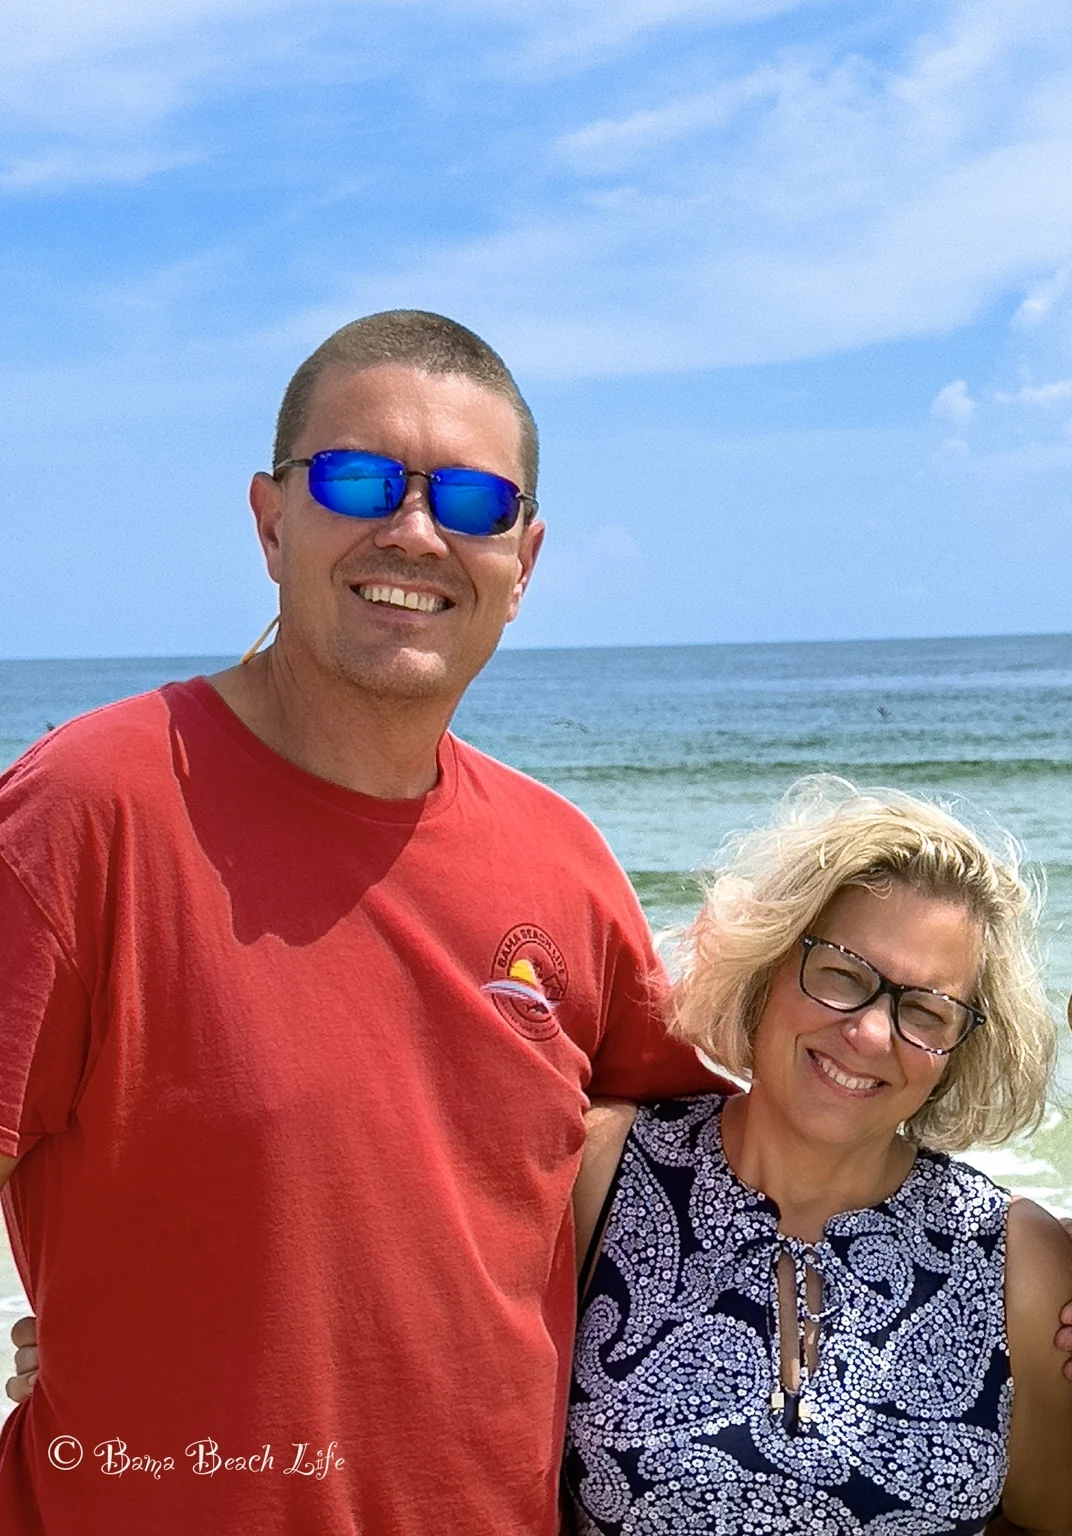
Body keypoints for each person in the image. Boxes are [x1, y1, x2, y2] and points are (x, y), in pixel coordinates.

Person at [0, 310, 725, 1536]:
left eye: (474, 501)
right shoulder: (84, 810)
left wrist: (1033, 1277)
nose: (415, 531)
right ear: (271, 522)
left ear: (524, 561)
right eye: (357, 480)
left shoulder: (562, 860)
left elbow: (724, 1166)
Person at [567, 778, 1072, 1535]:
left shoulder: (1016, 1260)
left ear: (960, 1051)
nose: (870, 1034)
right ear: (768, 961)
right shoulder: (603, 1172)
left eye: (926, 1010)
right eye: (842, 974)